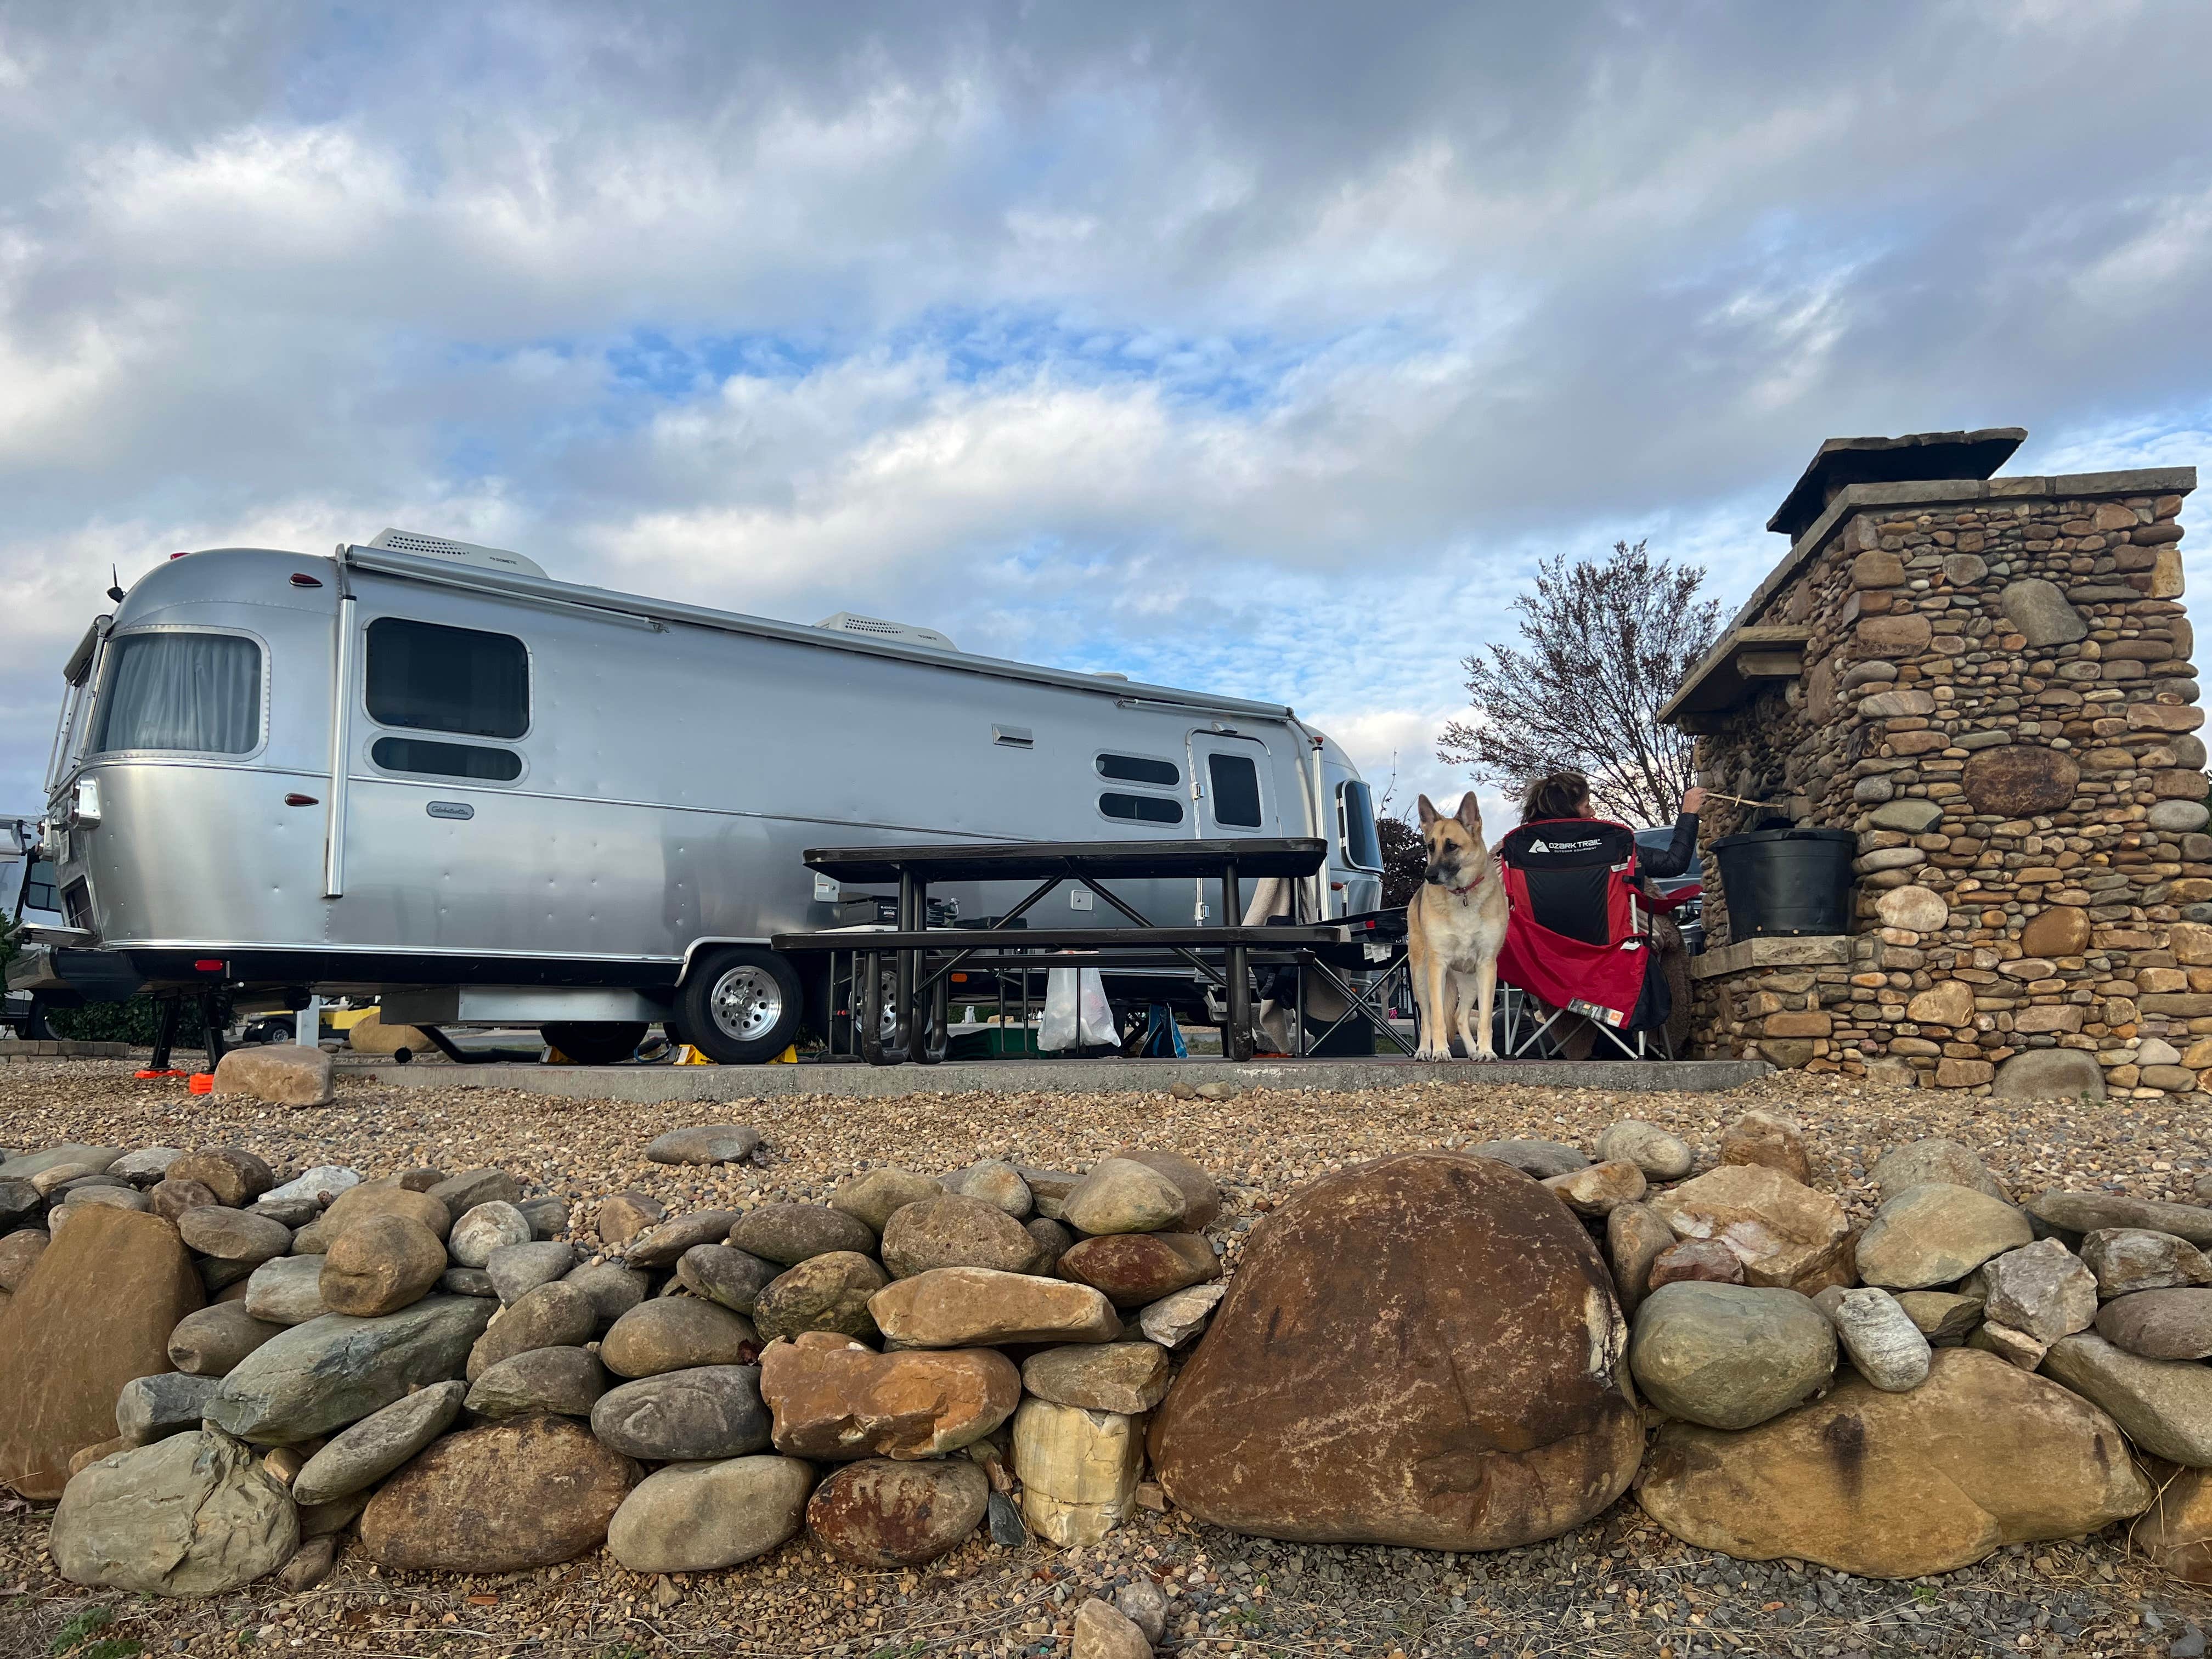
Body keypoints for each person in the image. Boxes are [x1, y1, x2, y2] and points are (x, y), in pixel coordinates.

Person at [1516, 770, 1703, 1056]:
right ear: (1570, 808)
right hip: (1612, 948)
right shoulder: (1609, 841)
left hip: (1543, 955)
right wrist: (1689, 813)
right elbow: (1674, 863)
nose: (1592, 810)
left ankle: (1584, 1043)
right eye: (1586, 803)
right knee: (1662, 938)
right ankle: (1641, 1040)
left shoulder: (1515, 847)